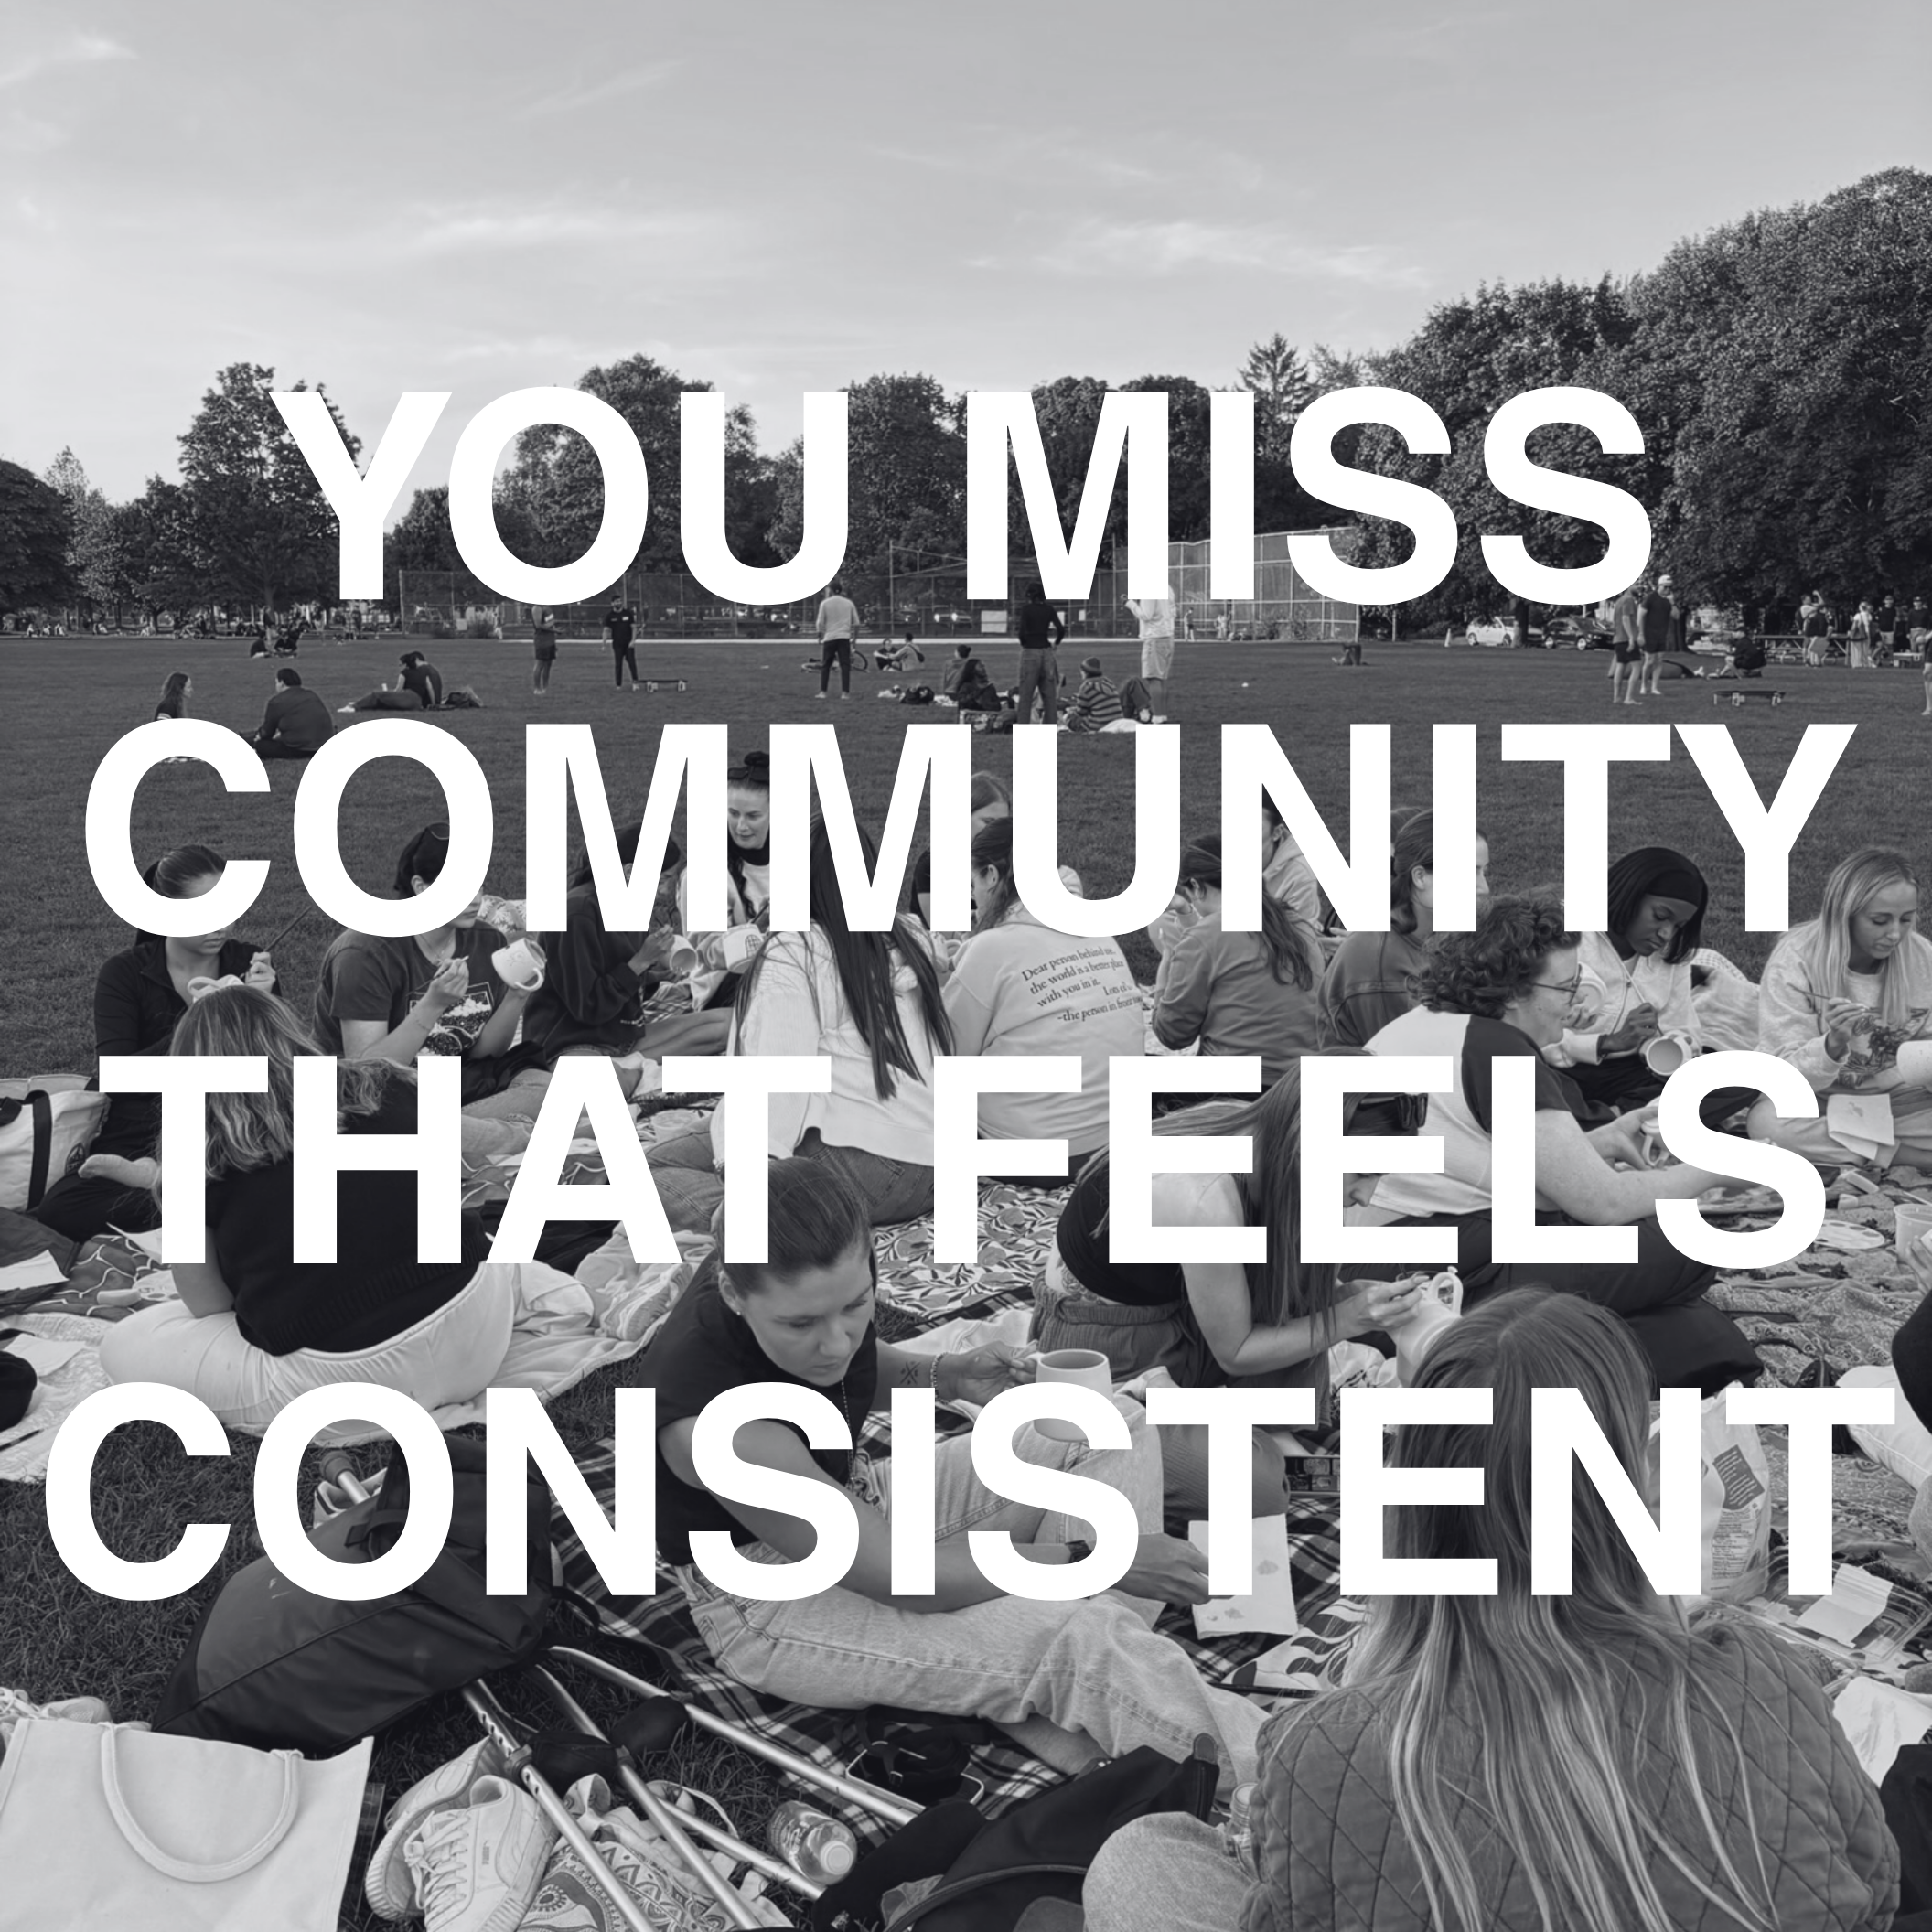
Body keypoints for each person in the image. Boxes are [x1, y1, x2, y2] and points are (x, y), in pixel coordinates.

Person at [1083, 1290, 1898, 1932]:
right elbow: (1875, 1889)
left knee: (1147, 1856)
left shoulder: (1328, 1750)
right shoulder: (1766, 1676)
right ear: (1642, 1480)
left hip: (1341, 1761)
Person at [639, 1157, 1270, 1787]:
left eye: (856, 1305)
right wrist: (1099, 1559)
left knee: (1109, 1420)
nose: (836, 1341)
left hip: (857, 1499)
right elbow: (905, 1578)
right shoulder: (720, 1432)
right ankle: (1288, 1778)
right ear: (730, 1293)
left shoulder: (779, 1263)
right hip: (771, 1597)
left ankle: (1042, 1679)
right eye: (801, 1325)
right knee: (1080, 1636)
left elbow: (848, 1364)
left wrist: (948, 1374)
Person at [1360, 896, 1758, 1389]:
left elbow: (1487, 1165)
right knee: (1686, 1246)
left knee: (1687, 1323)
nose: (1576, 1003)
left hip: (1384, 1263)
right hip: (1427, 1279)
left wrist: (1605, 1139)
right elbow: (1603, 1203)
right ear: (1513, 992)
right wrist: (1713, 1169)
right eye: (1566, 987)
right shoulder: (1497, 1050)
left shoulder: (1424, 1025)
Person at [98, 988, 523, 1431]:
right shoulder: (384, 1081)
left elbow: (210, 1306)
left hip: (352, 1380)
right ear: (290, 1032)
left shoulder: (196, 1153)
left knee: (125, 1343)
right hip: (480, 1327)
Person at [1037, 1065, 1435, 1517]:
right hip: (1106, 1352)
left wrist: (1344, 1297)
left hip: (1177, 1318)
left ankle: (1260, 1429)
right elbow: (1237, 1352)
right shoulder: (1203, 1194)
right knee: (1260, 1488)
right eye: (1362, 1174)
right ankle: (1232, 1433)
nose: (1366, 1196)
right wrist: (1347, 1319)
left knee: (1310, 1272)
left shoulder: (1265, 1132)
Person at [649, 814, 952, 1231]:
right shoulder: (909, 936)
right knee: (692, 1144)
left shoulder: (796, 954)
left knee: (643, 1177)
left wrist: (749, 1178)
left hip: (868, 1159)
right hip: (939, 1164)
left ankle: (776, 1228)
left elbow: (777, 1073)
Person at [30, 846, 277, 1242]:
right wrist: (194, 1021)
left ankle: (172, 1189)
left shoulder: (249, 965)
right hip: (145, 1127)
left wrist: (262, 1007)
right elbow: (118, 1078)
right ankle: (202, 1200)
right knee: (62, 1209)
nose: (221, 925)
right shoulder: (124, 973)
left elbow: (271, 1071)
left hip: (230, 1121)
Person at [942, 818, 1143, 1183]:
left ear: (991, 875)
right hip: (1116, 1142)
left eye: (973, 884)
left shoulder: (991, 949)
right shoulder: (1099, 933)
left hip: (1030, 1154)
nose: (974, 898)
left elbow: (946, 1054)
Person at [310, 821, 539, 1109]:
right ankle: (492, 1129)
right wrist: (433, 1004)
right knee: (526, 1119)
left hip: (451, 1086)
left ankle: (484, 1128)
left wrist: (517, 996)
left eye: (479, 886)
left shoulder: (487, 941)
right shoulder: (364, 954)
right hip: (368, 1101)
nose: (477, 899)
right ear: (420, 887)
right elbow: (366, 1073)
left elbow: (483, 1055)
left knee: (547, 1088)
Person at [497, 821, 728, 1090]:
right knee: (604, 1084)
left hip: (621, 1039)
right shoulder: (576, 914)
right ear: (629, 872)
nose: (665, 891)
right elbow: (588, 1007)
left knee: (730, 1023)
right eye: (663, 880)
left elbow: (620, 982)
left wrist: (655, 974)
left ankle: (635, 1068)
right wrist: (641, 961)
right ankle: (635, 1072)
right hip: (571, 1045)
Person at [1752, 845, 1932, 1172]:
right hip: (1822, 1103)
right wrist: (1832, 1044)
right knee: (1768, 1124)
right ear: (1845, 913)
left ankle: (1866, 1150)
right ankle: (1908, 1158)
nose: (1895, 934)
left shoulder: (1922, 957)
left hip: (1900, 1102)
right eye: (1880, 921)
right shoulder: (1795, 961)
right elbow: (1783, 1077)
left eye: (1906, 919)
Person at [1152, 842, 1326, 1088]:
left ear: (1196, 887)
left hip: (1240, 1089)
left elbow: (1172, 1034)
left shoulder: (1205, 936)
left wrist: (1164, 976)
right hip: (1302, 1083)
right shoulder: (1299, 925)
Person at [1320, 810, 1491, 1048]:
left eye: (1483, 872)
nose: (1484, 888)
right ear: (1420, 878)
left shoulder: (1446, 936)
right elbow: (1407, 1060)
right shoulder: (1378, 961)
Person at [672, 748, 775, 1011]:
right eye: (733, 814)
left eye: (753, 816)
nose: (741, 826)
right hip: (722, 991)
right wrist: (765, 925)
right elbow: (706, 955)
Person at [909, 768, 1010, 929]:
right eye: (988, 822)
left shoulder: (1009, 860)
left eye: (1002, 822)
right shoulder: (933, 864)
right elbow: (949, 934)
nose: (997, 830)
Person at [1014, 580, 1067, 726]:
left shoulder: (1026, 610)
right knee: (1049, 696)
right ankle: (1050, 725)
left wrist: (1025, 644)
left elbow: (1022, 632)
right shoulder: (1049, 609)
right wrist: (1056, 644)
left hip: (1030, 651)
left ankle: (1023, 725)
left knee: (1026, 695)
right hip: (1047, 652)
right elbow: (1061, 630)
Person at [251, 666, 333, 758]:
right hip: (323, 746)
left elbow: (267, 732)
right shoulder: (311, 695)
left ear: (282, 683)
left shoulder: (277, 701)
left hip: (300, 748)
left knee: (261, 745)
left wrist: (259, 737)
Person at [1126, 586, 1177, 719]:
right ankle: (1163, 714)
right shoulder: (1168, 588)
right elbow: (1173, 612)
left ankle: (1158, 716)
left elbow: (1146, 615)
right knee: (1162, 679)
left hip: (1154, 637)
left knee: (1154, 679)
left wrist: (1130, 604)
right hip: (1167, 636)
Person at [815, 581, 861, 700]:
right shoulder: (848, 603)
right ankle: (845, 693)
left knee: (826, 665)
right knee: (845, 665)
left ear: (830, 591)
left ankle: (823, 692)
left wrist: (820, 635)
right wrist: (854, 639)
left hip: (830, 637)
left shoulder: (825, 603)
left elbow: (820, 622)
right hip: (844, 637)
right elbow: (856, 623)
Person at [1637, 573, 1679, 696]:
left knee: (1659, 660)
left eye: (1669, 587)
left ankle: (1654, 687)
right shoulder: (1651, 598)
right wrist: (1641, 633)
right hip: (1649, 633)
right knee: (1649, 661)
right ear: (1659, 586)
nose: (1667, 590)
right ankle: (1643, 686)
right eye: (1665, 587)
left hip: (1662, 634)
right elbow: (1641, 615)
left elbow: (1676, 616)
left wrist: (1672, 603)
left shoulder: (1668, 601)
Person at [1062, 654, 1123, 733]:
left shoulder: (1087, 686)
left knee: (1068, 718)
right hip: (1117, 721)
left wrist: (1071, 711)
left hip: (1099, 725)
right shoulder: (1108, 682)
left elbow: (1081, 712)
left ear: (1085, 672)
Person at [1609, 581, 1643, 704]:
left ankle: (1617, 697)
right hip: (1626, 639)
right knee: (1637, 667)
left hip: (1618, 639)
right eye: (1636, 584)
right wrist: (1631, 638)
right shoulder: (1629, 600)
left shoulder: (1619, 601)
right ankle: (1629, 698)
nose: (1639, 586)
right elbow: (1625, 618)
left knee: (1620, 666)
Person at [602, 599, 639, 689]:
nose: (619, 603)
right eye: (616, 602)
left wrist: (633, 641)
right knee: (618, 664)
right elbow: (606, 630)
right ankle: (618, 685)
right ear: (612, 603)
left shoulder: (628, 614)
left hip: (628, 643)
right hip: (617, 644)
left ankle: (635, 682)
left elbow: (634, 628)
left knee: (631, 662)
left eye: (620, 601)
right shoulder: (610, 616)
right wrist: (604, 644)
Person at [531, 608, 557, 695]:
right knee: (540, 664)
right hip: (542, 641)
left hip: (550, 640)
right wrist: (552, 627)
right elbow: (538, 625)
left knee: (548, 664)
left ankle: (545, 688)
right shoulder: (537, 608)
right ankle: (537, 688)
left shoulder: (548, 607)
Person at [1802, 591, 1833, 667]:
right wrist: (1818, 597)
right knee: (1808, 644)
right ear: (1804, 601)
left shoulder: (1813, 606)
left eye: (1810, 599)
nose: (1810, 600)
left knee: (1815, 644)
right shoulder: (1804, 607)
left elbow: (1822, 603)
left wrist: (1818, 595)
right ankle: (1806, 660)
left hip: (1816, 627)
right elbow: (1821, 606)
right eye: (1808, 599)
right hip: (1809, 626)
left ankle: (1814, 662)